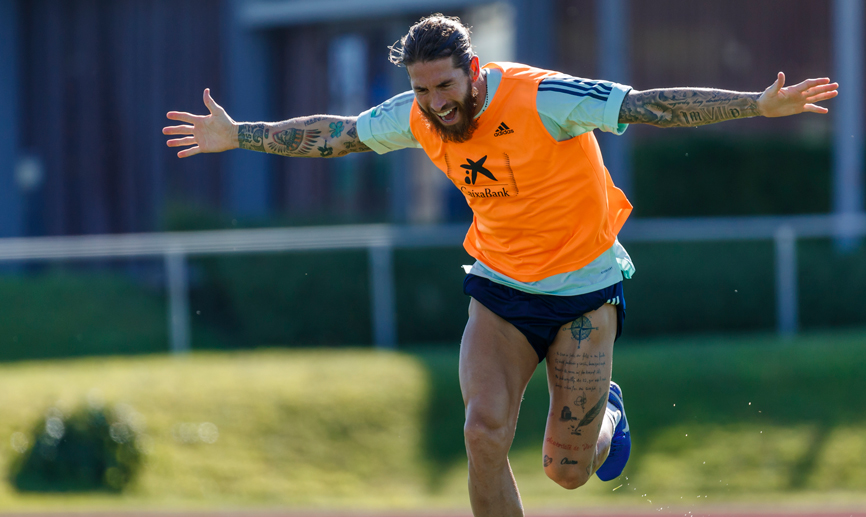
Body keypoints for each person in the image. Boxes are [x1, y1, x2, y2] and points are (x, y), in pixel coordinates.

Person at [163, 14, 838, 517]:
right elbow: (338, 135)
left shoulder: (544, 98)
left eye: (445, 86)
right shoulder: (420, 115)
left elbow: (648, 104)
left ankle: (607, 414)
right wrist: (238, 135)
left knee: (568, 472)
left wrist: (756, 105)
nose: (434, 103)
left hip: (584, 294)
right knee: (482, 430)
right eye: (422, 90)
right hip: (501, 290)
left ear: (475, 70)